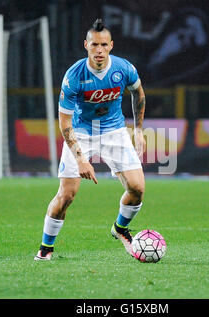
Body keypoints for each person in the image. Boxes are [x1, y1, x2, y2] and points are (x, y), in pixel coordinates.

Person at [34, 19, 147, 260]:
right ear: (86, 45)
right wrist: (81, 159)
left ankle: (120, 229)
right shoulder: (74, 76)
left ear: (111, 46)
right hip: (81, 132)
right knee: (67, 195)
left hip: (113, 130)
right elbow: (64, 123)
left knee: (137, 188)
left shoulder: (123, 68)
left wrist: (138, 130)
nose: (99, 50)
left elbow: (138, 93)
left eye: (103, 45)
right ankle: (45, 249)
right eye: (94, 44)